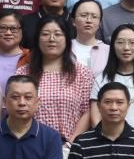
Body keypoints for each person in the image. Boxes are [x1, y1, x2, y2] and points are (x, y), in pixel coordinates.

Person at [20, 16, 93, 146]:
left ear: (67, 40)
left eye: (58, 34)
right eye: (45, 34)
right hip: (31, 145)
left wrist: (70, 143)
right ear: (37, 39)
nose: (51, 39)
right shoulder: (23, 73)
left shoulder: (82, 73)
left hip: (70, 146)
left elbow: (88, 111)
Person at [0, 12, 30, 94]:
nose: (8, 33)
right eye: (3, 28)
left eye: (14, 28)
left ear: (22, 32)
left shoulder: (31, 58)